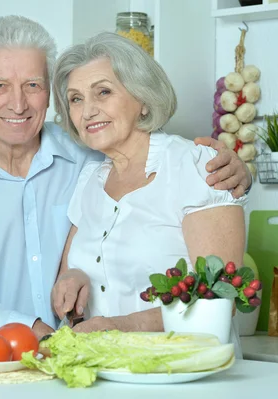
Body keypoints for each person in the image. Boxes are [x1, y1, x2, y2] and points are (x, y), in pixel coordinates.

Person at [0, 15, 251, 340]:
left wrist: (238, 173)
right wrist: (55, 299)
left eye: (32, 85)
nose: (18, 104)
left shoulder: (96, 158)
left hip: (169, 369)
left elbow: (219, 295)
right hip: (18, 363)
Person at [49, 32, 246, 350]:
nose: (87, 111)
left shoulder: (196, 166)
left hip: (186, 374)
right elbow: (71, 271)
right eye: (76, 98)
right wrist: (71, 280)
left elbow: (220, 298)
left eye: (103, 92)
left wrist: (119, 328)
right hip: (102, 371)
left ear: (142, 99)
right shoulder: (88, 182)